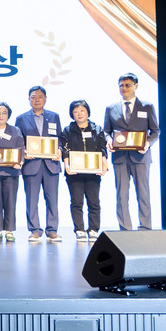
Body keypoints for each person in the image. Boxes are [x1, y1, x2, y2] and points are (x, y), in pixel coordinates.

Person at [104, 72, 160, 230]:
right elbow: (106, 131)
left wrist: (147, 144)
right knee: (121, 194)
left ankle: (146, 226)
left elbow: (155, 131)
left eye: (127, 85)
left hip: (141, 157)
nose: (124, 88)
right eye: (121, 85)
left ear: (136, 86)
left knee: (143, 193)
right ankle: (125, 228)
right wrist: (108, 140)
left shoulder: (147, 106)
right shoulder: (111, 108)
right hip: (120, 157)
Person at [15, 86, 63, 243]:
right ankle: (35, 230)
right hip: (31, 164)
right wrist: (23, 151)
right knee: (31, 200)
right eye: (33, 97)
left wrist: (59, 150)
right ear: (28, 99)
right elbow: (18, 141)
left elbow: (60, 138)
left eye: (40, 97)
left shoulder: (54, 116)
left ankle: (52, 230)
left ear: (46, 99)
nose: (37, 100)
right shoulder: (21, 118)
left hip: (51, 164)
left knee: (52, 199)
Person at [60, 100, 108, 242]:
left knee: (94, 201)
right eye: (75, 111)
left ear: (87, 112)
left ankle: (93, 229)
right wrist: (67, 165)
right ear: (72, 114)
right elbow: (65, 149)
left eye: (82, 110)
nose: (79, 114)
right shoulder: (68, 130)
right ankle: (79, 230)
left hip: (93, 172)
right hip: (74, 173)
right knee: (76, 201)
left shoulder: (96, 129)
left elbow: (102, 148)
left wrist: (104, 165)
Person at [0, 102, 25, 242]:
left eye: (4, 113)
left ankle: (9, 231)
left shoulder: (15, 130)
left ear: (8, 115)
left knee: (10, 201)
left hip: (11, 172)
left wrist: (20, 161)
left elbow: (21, 147)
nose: (1, 115)